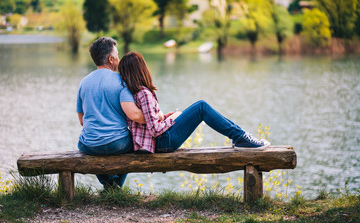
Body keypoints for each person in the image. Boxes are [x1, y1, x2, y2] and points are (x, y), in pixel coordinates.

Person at [118, 52, 270, 154]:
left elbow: (149, 121)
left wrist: (164, 117)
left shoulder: (134, 93)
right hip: (162, 143)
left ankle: (240, 136)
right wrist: (172, 120)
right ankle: (241, 137)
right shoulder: (144, 93)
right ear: (141, 69)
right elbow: (155, 130)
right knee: (201, 107)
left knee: (198, 107)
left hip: (156, 142)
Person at [76, 37, 145, 190]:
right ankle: (115, 185)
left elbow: (82, 120)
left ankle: (109, 184)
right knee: (135, 140)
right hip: (118, 144)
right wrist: (156, 117)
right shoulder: (121, 81)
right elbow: (134, 115)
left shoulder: (84, 83)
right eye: (118, 55)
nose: (119, 59)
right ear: (111, 59)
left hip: (91, 145)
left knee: (83, 141)